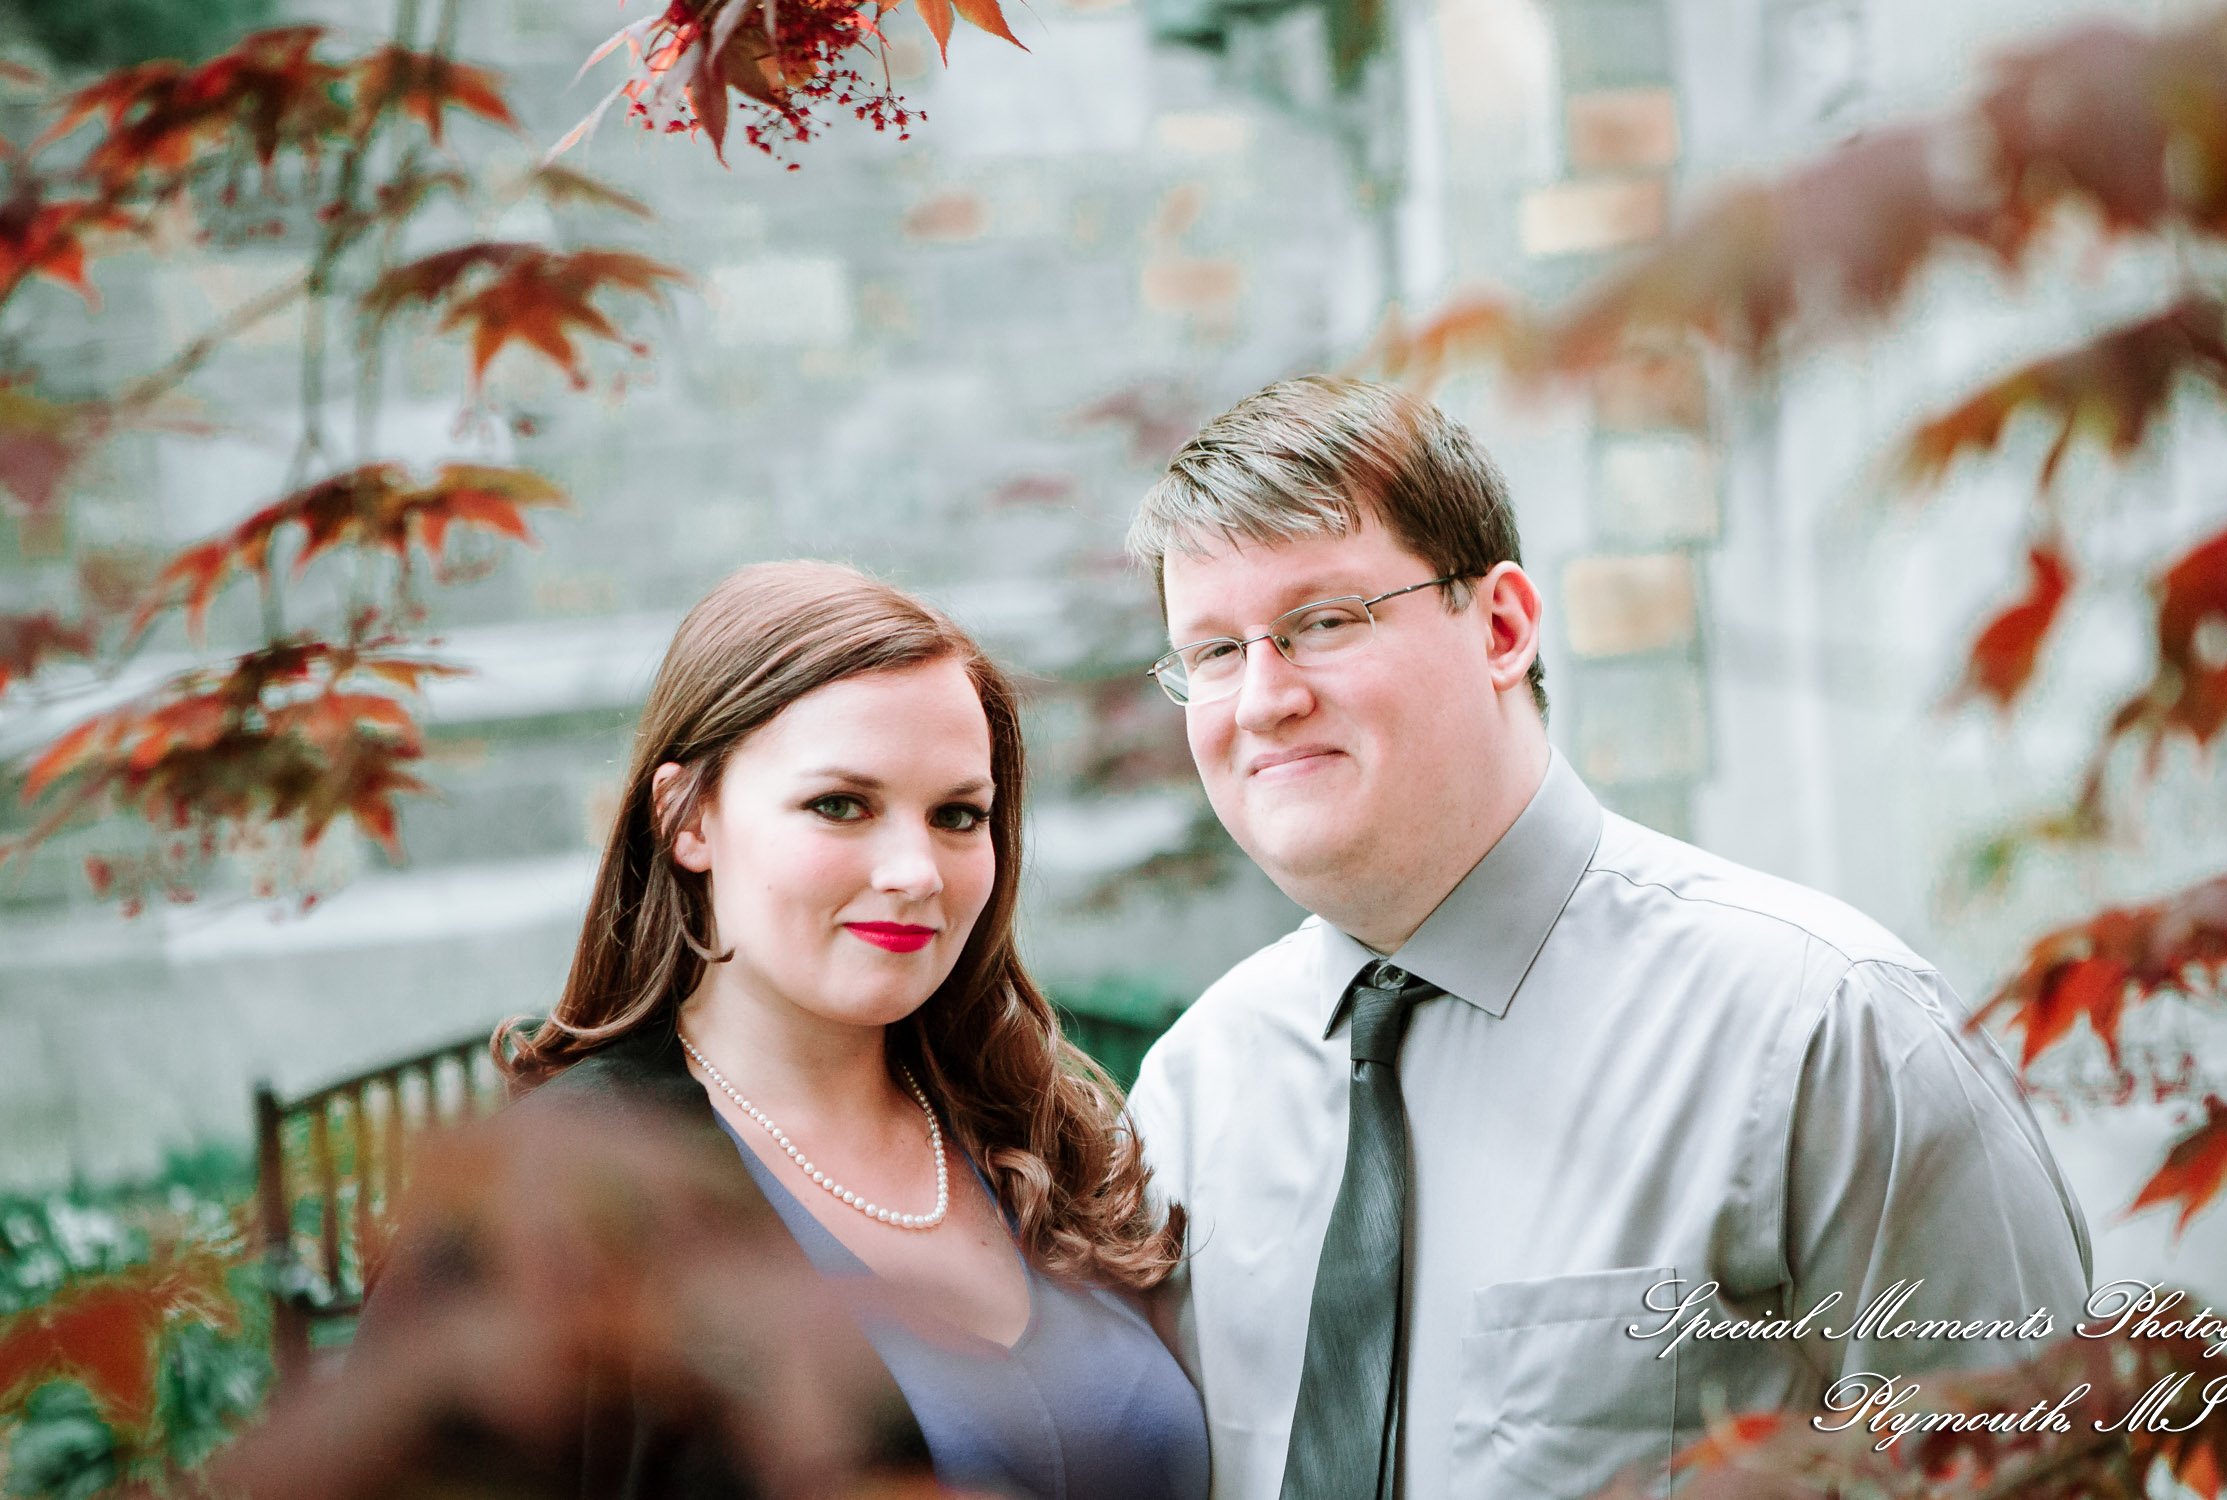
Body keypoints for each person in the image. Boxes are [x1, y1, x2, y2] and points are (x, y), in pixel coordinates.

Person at [1121, 377, 2093, 1500]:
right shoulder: (1191, 1097)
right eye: (1213, 653)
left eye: (1324, 622)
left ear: (1501, 627)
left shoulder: (1824, 1034)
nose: (1261, 699)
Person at [369, 561, 1209, 1500]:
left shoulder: (1046, 1137)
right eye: (839, 805)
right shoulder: (551, 1202)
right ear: (686, 818)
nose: (915, 871)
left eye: (957, 815)